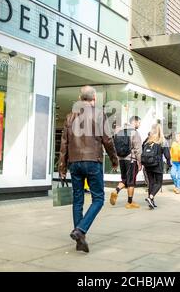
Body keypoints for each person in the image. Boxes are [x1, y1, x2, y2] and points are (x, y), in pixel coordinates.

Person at [58, 86, 119, 253]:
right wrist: (115, 160)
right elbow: (108, 141)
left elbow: (64, 144)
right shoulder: (99, 114)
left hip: (75, 162)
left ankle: (80, 239)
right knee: (98, 199)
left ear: (79, 97)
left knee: (78, 200)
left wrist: (62, 167)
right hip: (93, 161)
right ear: (94, 99)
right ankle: (81, 230)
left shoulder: (70, 116)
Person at [110, 116, 143, 208]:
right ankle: (129, 202)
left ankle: (116, 191)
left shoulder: (119, 131)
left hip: (121, 159)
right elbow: (138, 149)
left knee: (124, 178)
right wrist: (140, 162)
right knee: (131, 181)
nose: (139, 124)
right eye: (139, 122)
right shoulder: (134, 132)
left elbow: (114, 146)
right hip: (131, 159)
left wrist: (116, 159)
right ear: (134, 122)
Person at [142, 124, 171, 209]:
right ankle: (150, 197)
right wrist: (169, 164)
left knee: (151, 182)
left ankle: (151, 201)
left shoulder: (147, 140)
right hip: (157, 164)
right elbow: (167, 155)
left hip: (148, 165)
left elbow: (143, 149)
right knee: (159, 183)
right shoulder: (162, 140)